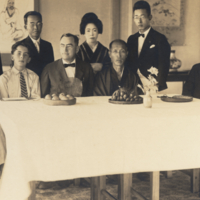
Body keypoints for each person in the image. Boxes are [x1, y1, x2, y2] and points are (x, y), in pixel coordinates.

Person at [127, 0, 170, 92]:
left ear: (150, 17)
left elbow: (164, 64)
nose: (139, 20)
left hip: (153, 83)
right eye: (136, 17)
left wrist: (158, 85)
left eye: (142, 16)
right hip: (134, 84)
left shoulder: (160, 39)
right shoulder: (131, 39)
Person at [41, 33, 94, 98]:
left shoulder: (87, 68)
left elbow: (91, 96)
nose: (65, 49)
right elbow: (44, 97)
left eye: (69, 46)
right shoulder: (49, 69)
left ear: (77, 49)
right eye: (62, 45)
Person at [20, 11, 54, 78]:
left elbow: (51, 70)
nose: (35, 27)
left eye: (38, 24)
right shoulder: (20, 45)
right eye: (32, 24)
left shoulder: (48, 46)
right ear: (25, 26)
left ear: (42, 25)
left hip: (44, 86)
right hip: (28, 85)